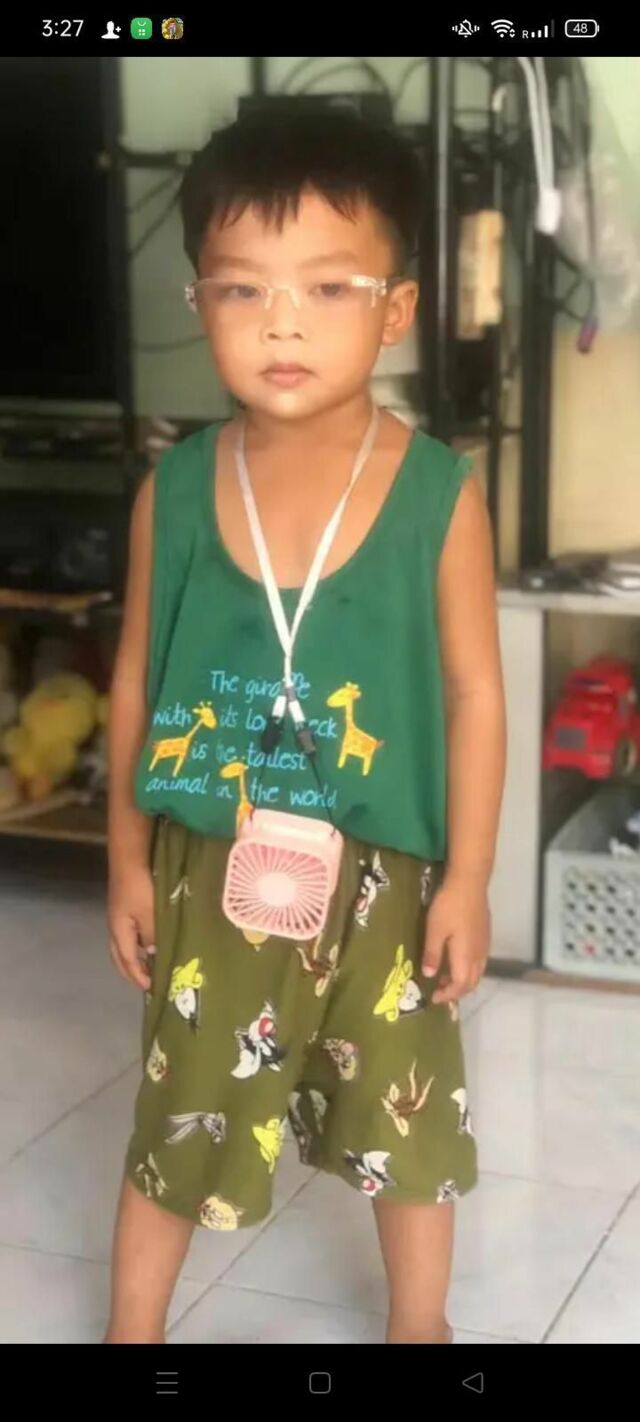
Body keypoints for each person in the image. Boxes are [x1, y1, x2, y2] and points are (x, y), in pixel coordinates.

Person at [104, 106, 506, 1346]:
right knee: (182, 1105)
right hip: (211, 867)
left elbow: (474, 693)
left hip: (387, 876)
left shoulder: (438, 493)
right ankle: (133, 1328)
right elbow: (133, 679)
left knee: (404, 1113)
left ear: (395, 309)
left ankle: (420, 1325)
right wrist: (123, 858)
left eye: (328, 287)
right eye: (242, 289)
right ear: (198, 302)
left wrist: (469, 877)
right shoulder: (174, 490)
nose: (281, 323)